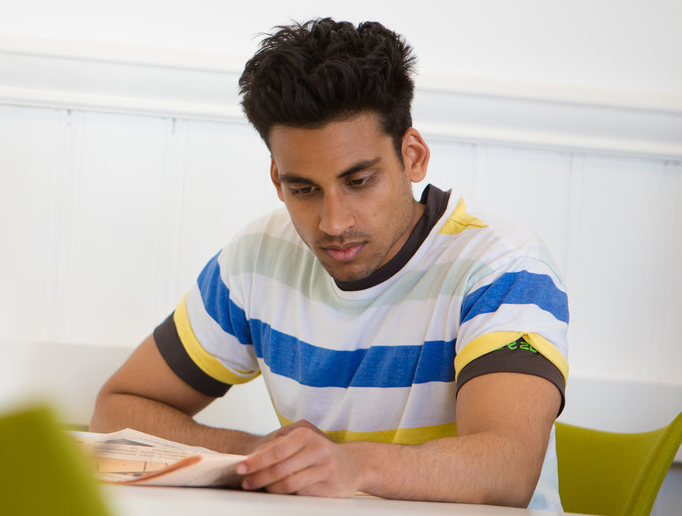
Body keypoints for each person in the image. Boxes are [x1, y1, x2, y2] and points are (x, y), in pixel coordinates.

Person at [91, 18, 568, 510]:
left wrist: (353, 464)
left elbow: (507, 469)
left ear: (413, 156)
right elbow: (117, 411)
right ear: (277, 180)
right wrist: (256, 453)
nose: (334, 222)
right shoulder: (257, 259)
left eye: (359, 181)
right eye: (304, 190)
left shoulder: (503, 268)